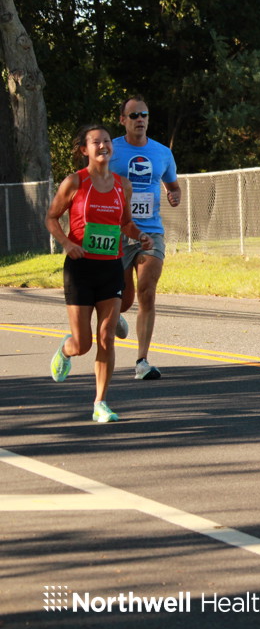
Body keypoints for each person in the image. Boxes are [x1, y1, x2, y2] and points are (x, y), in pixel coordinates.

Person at [45, 124, 154, 421]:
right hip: (80, 267)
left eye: (107, 141)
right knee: (83, 344)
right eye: (96, 142)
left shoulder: (123, 185)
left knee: (107, 337)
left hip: (110, 266)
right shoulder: (74, 182)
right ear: (85, 150)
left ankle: (100, 403)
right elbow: (52, 217)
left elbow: (126, 224)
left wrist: (140, 235)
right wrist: (67, 243)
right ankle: (66, 350)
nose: (103, 146)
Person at [109, 95, 182, 379]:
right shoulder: (111, 150)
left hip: (151, 231)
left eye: (144, 115)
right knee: (123, 299)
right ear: (123, 120)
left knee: (147, 292)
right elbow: (94, 181)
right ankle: (116, 313)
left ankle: (142, 361)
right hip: (118, 231)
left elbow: (173, 186)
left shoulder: (162, 153)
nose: (140, 119)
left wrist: (174, 195)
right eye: (134, 115)